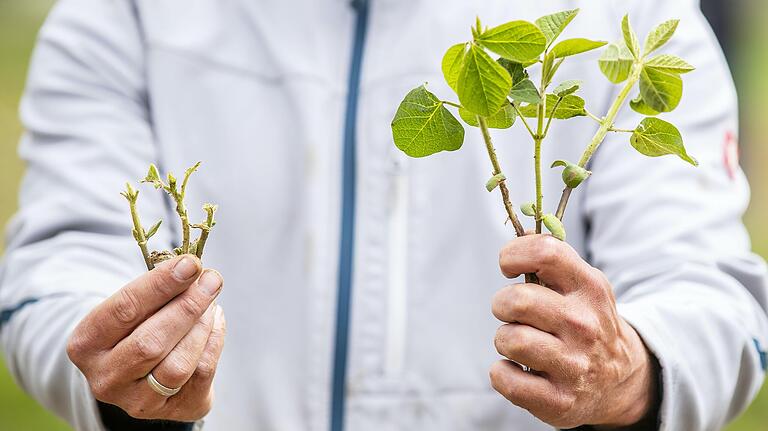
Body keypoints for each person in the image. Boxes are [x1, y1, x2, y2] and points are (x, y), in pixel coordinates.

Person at [1, 0, 766, 430]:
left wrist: (635, 371)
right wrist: (124, 373)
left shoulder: (629, 15)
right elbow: (54, 270)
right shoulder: (125, 15)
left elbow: (715, 296)